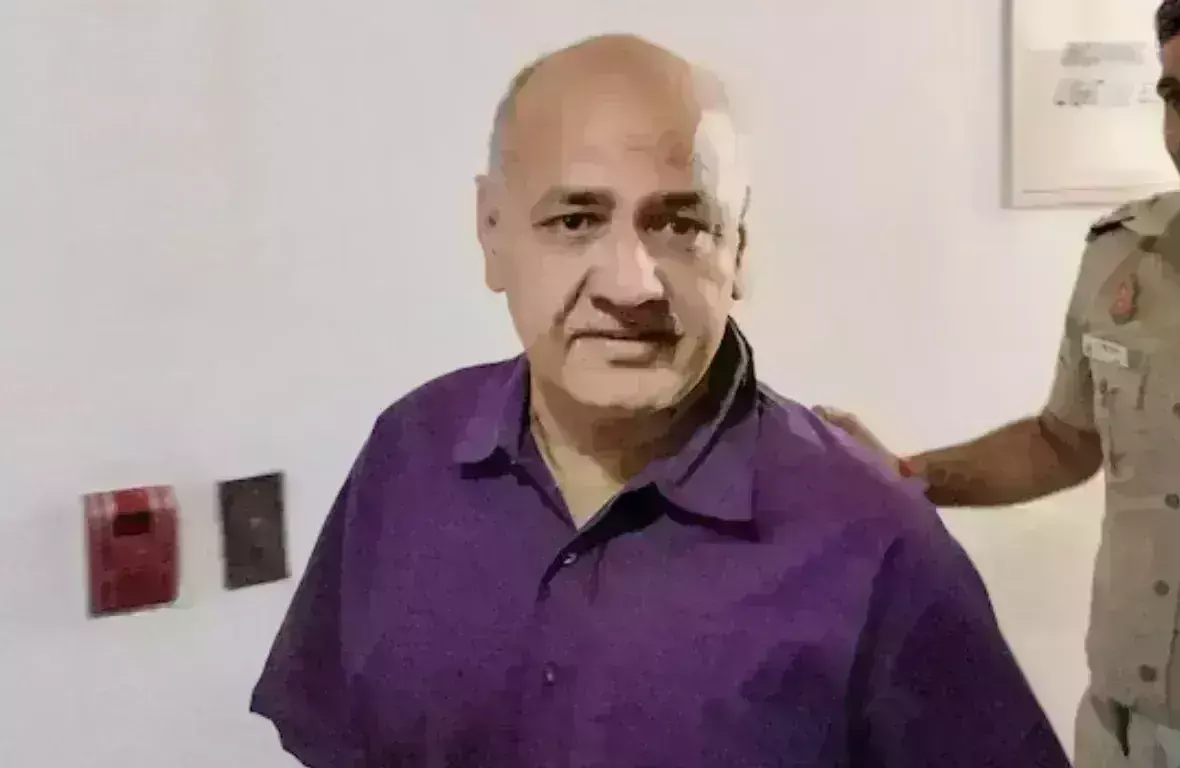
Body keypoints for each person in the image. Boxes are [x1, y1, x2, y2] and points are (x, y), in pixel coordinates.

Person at [248, 32, 1069, 768]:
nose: (631, 284)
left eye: (680, 225)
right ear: (492, 231)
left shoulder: (876, 544)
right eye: (575, 219)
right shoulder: (409, 453)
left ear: (738, 250)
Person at [819, 2, 1180, 766]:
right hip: (1116, 735)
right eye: (1179, 97)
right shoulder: (1123, 256)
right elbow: (1061, 442)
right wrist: (900, 477)